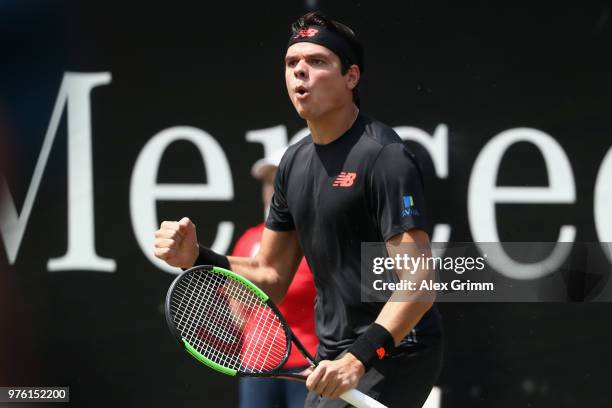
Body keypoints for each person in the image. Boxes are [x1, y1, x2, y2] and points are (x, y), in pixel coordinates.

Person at [155, 11, 443, 407]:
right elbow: (270, 275)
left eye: (317, 62)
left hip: (392, 351)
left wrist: (360, 357)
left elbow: (420, 282)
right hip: (332, 357)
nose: (300, 73)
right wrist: (199, 256)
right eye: (292, 63)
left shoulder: (385, 157)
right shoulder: (293, 163)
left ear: (351, 77)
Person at [235, 147, 318, 408]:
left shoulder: (315, 242)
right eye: (268, 182)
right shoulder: (249, 239)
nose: (272, 189)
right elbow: (237, 305)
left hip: (307, 368)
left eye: (279, 181)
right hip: (257, 365)